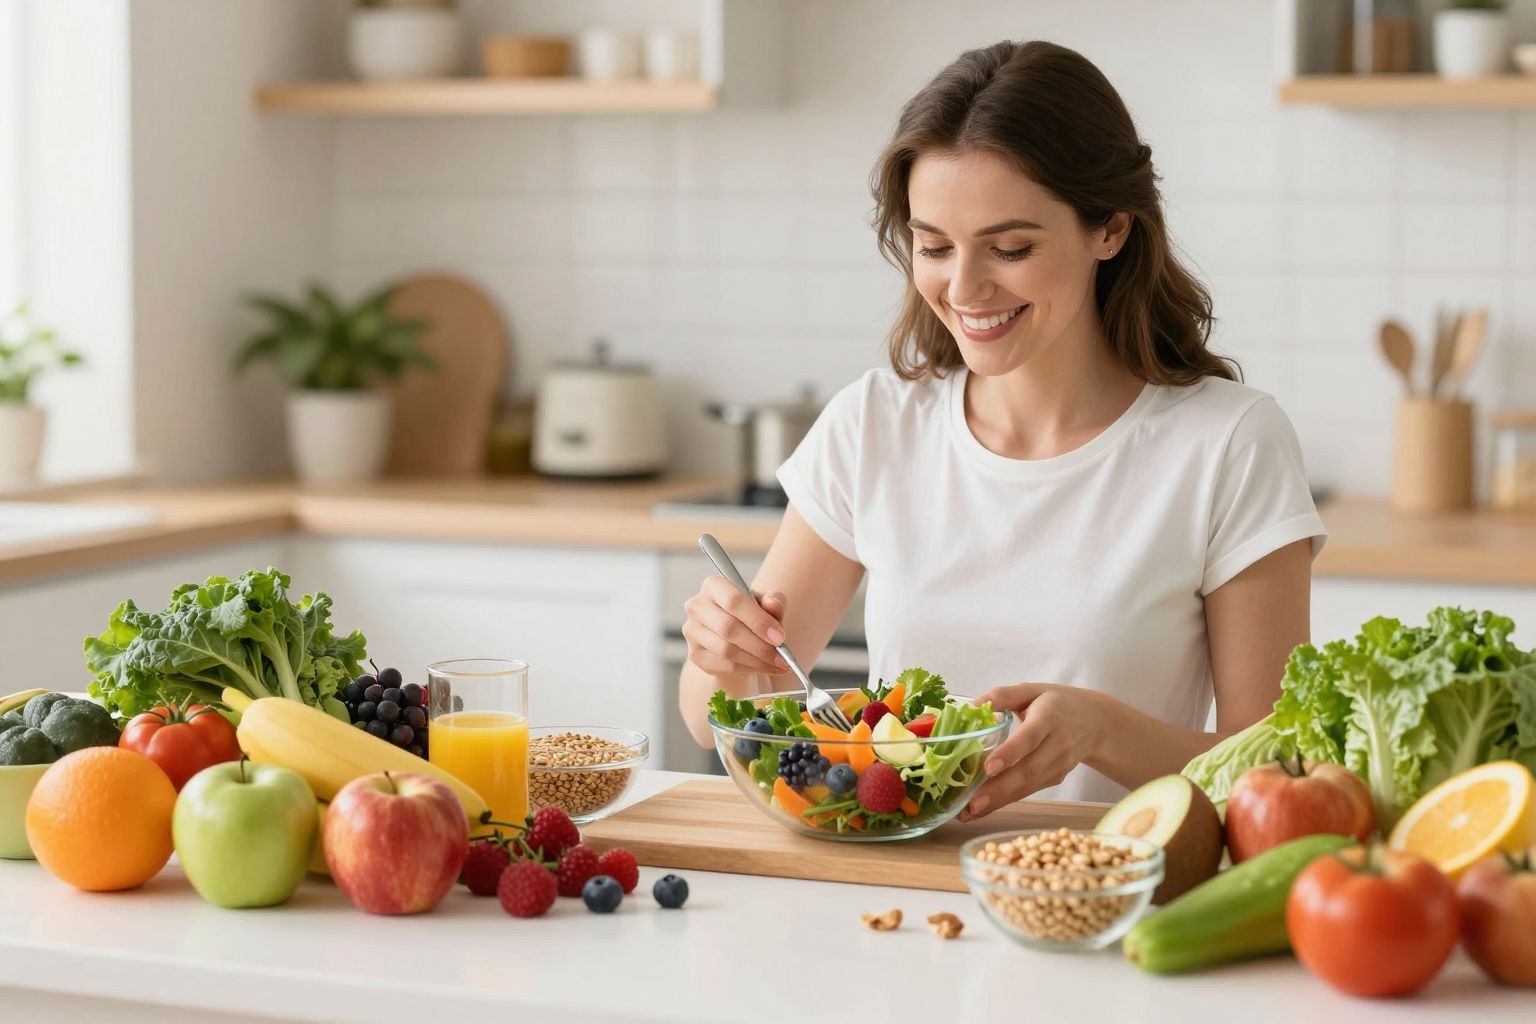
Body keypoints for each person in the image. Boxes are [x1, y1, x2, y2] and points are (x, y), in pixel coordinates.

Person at [676, 39, 1325, 814]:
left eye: (1010, 247)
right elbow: (722, 718)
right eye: (933, 246)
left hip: (1107, 896)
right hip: (895, 897)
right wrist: (723, 657)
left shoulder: (1228, 444)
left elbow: (1282, 771)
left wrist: (1101, 732)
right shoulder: (873, 426)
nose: (965, 288)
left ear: (1110, 230)